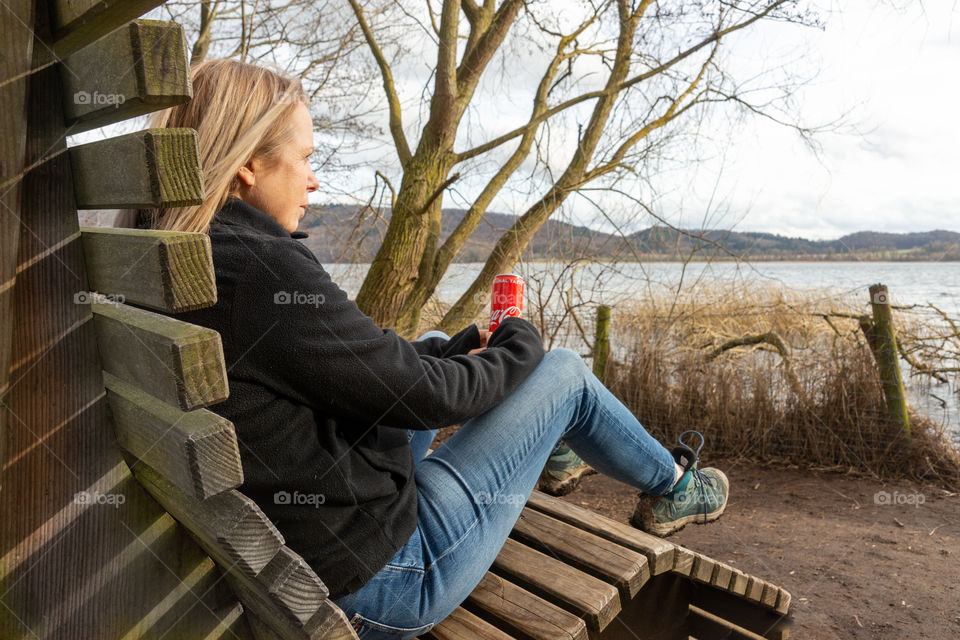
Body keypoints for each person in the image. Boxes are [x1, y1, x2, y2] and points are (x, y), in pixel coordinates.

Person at [145, 58, 729, 640]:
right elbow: (427, 397)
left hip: (287, 549)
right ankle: (675, 488)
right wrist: (519, 345)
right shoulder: (259, 268)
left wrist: (455, 354)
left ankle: (554, 447)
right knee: (564, 375)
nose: (314, 180)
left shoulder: (177, 256)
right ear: (248, 164)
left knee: (429, 347)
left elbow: (356, 372)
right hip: (383, 580)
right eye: (305, 159)